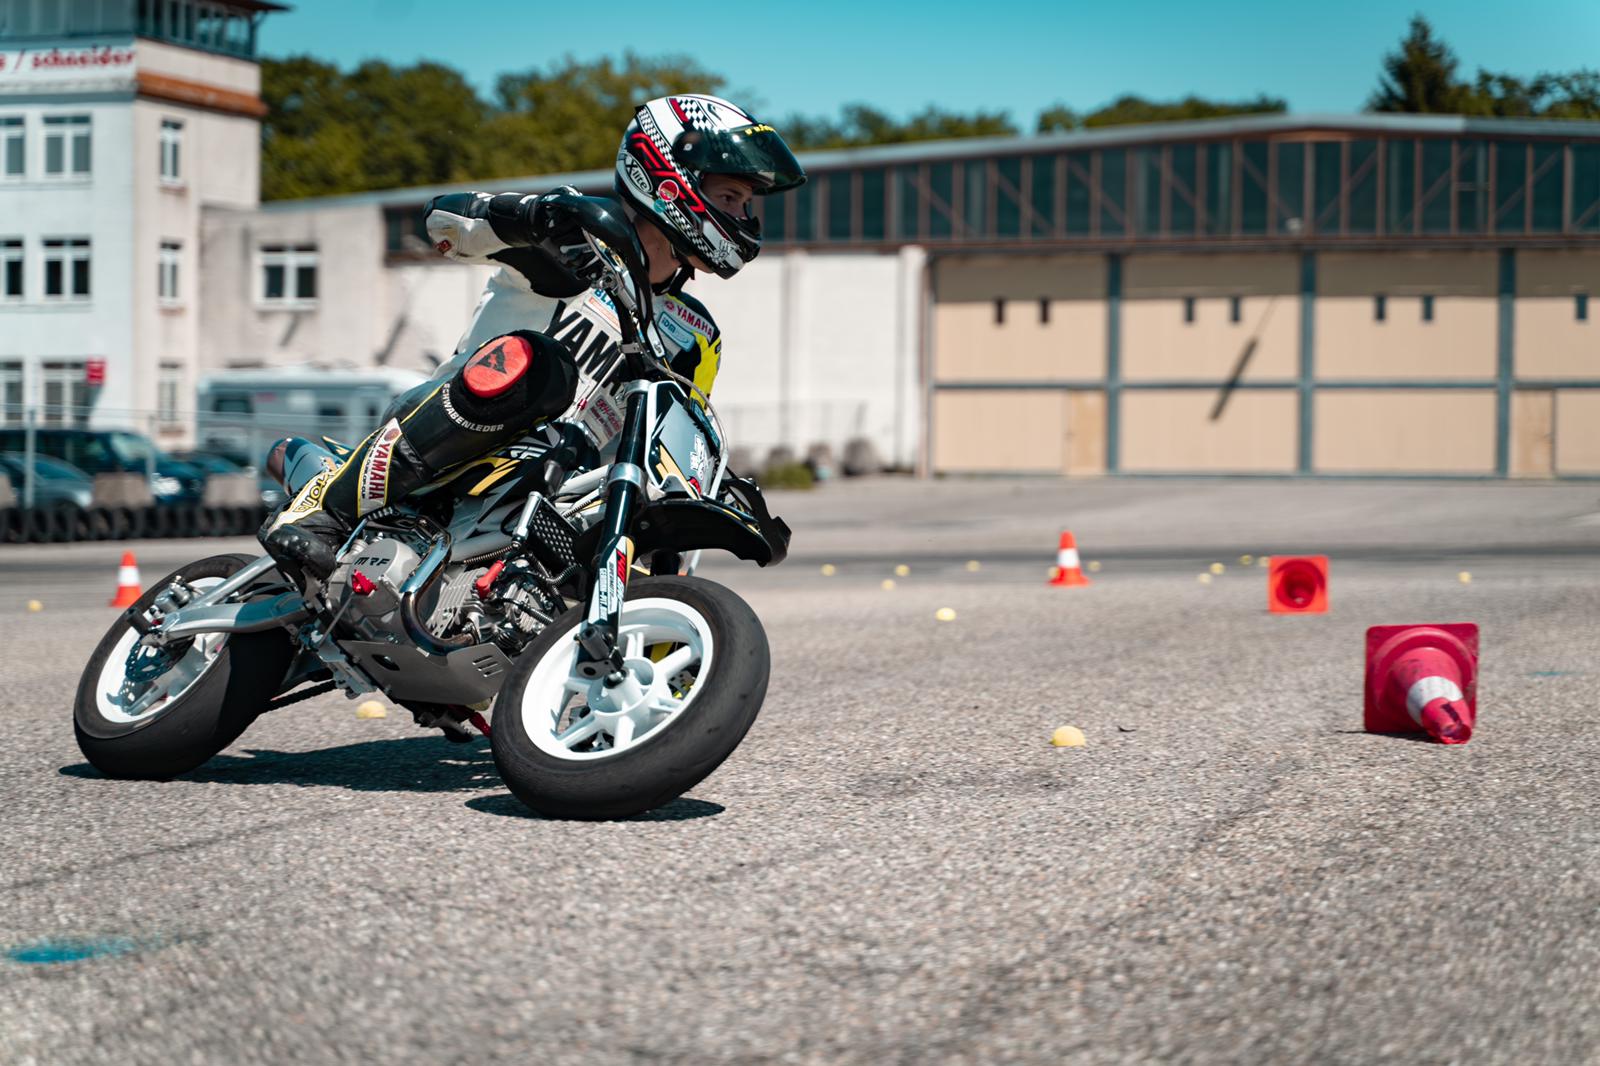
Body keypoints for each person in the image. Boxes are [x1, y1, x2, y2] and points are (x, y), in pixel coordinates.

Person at [260, 95, 806, 585]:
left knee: (662, 501)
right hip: (452, 444)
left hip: (558, 488)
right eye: (731, 197)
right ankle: (320, 510)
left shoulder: (697, 335)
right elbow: (441, 223)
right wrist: (533, 216)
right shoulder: (572, 241)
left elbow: (671, 440)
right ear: (671, 179)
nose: (743, 217)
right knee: (543, 369)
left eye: (746, 205)